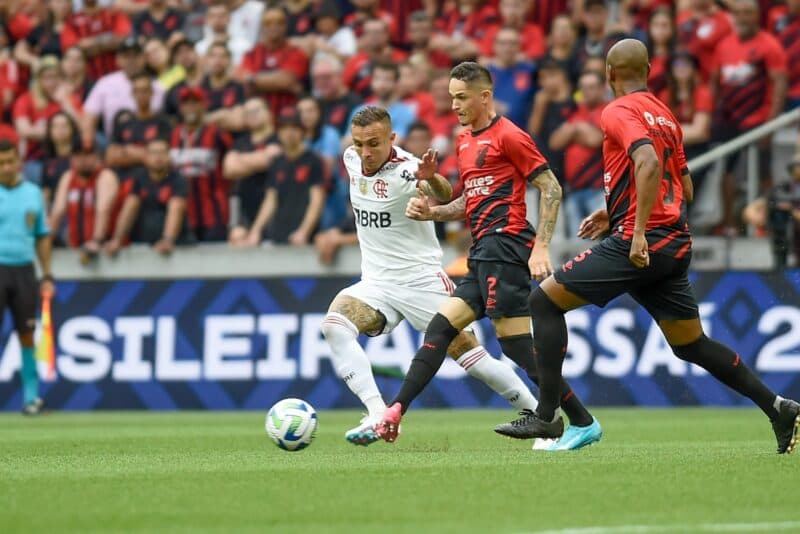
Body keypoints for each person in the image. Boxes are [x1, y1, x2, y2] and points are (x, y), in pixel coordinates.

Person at [505, 38, 800, 455]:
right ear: (647, 71)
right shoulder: (666, 116)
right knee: (690, 343)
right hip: (674, 242)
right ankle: (777, 407)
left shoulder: (617, 110)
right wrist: (619, 209)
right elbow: (685, 186)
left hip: (639, 242)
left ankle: (549, 414)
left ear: (609, 74)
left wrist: (636, 228)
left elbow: (647, 163)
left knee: (544, 302)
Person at [375, 62, 602, 452]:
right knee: (441, 329)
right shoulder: (464, 141)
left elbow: (550, 187)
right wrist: (433, 211)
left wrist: (541, 247)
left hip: (508, 246)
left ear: (485, 96)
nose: (455, 105)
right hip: (481, 253)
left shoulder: (510, 135)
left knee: (514, 346)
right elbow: (470, 200)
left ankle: (579, 421)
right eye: (451, 97)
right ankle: (395, 410)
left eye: (461, 97)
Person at [322, 105, 540, 446]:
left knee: (473, 359)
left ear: (392, 138)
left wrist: (431, 177)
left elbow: (442, 192)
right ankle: (378, 413)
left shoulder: (409, 170)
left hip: (422, 281)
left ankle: (537, 414)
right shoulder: (350, 158)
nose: (366, 152)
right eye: (360, 143)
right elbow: (358, 160)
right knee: (334, 326)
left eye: (374, 143)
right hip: (376, 283)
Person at [712, 0, 787, 235]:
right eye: (738, 13)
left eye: (747, 13)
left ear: (756, 16)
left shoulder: (769, 45)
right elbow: (715, 82)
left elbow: (780, 85)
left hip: (758, 121)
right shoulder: (724, 45)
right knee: (727, 170)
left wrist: (770, 125)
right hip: (731, 120)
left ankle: (766, 224)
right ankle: (729, 224)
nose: (743, 18)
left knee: (764, 174)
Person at [0, 138, 55, 415]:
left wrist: (47, 274)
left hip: (24, 271)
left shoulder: (33, 193)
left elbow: (42, 237)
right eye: (1, 164)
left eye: (11, 161)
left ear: (19, 162)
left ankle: (31, 398)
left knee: (27, 334)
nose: (7, 168)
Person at [242, 107, 325, 245]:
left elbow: (317, 200)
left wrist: (304, 231)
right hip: (279, 234)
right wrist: (255, 230)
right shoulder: (277, 162)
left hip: (305, 239)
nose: (289, 133)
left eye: (294, 128)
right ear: (278, 133)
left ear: (302, 131)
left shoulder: (313, 160)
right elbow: (270, 199)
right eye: (284, 128)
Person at [169, 86, 232, 242]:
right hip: (183, 214)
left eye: (195, 103)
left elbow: (231, 164)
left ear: (204, 105)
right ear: (181, 108)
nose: (191, 108)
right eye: (186, 103)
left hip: (214, 212)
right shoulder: (173, 135)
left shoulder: (218, 134)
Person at [549, 70, 607, 236]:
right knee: (579, 244)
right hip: (574, 189)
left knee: (600, 240)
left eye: (592, 87)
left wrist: (574, 131)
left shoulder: (608, 110)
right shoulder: (575, 111)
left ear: (603, 88)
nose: (586, 92)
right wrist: (579, 129)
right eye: (583, 88)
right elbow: (555, 142)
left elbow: (596, 140)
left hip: (598, 188)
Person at [105, 137, 187, 254]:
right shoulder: (139, 178)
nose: (158, 157)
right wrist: (117, 240)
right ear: (146, 157)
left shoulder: (178, 179)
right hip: (143, 242)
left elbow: (176, 208)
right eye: (153, 153)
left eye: (162, 152)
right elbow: (130, 208)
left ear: (169, 156)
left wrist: (168, 240)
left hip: (177, 244)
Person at [223, 97, 282, 246]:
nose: (252, 115)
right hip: (245, 209)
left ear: (269, 113)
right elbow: (229, 169)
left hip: (273, 209)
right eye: (247, 113)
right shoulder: (240, 142)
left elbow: (270, 160)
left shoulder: (278, 138)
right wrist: (261, 158)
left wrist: (240, 159)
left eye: (256, 111)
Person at [48, 141, 119, 256]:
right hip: (76, 248)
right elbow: (57, 211)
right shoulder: (68, 177)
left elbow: (103, 209)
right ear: (71, 158)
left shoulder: (105, 176)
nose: (83, 159)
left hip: (105, 249)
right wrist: (45, 241)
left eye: (87, 155)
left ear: (97, 156)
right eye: (78, 155)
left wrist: (97, 241)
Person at [238, 7, 309, 118]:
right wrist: (276, 80)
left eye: (279, 22)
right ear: (262, 27)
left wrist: (253, 80)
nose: (273, 26)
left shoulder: (295, 52)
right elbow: (243, 79)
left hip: (289, 118)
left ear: (285, 26)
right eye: (268, 23)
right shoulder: (251, 54)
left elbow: (286, 81)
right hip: (257, 118)